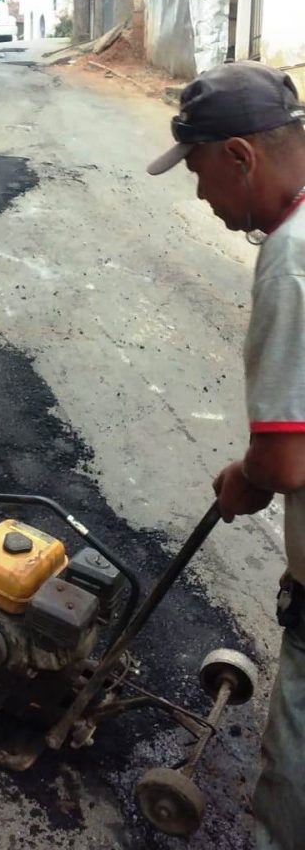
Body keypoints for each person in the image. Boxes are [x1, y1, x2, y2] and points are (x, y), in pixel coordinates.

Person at [147, 60, 305, 850]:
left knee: (295, 786)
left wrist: (245, 480)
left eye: (203, 175)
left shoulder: (292, 260)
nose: (203, 198)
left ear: (241, 157)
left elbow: (284, 464)